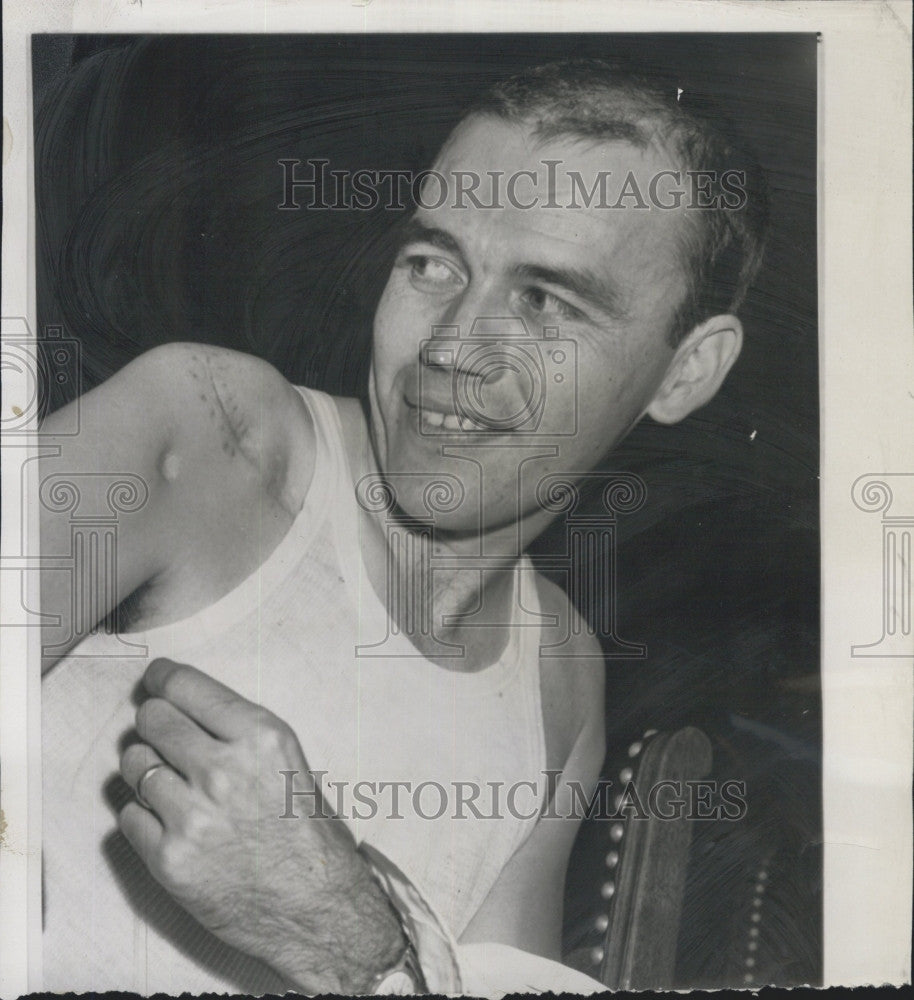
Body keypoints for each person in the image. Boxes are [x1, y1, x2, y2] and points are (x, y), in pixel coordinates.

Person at [39, 59, 767, 995]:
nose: (452, 347)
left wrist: (351, 938)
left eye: (546, 300)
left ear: (685, 373)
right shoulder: (215, 434)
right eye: (433, 263)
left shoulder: (560, 674)